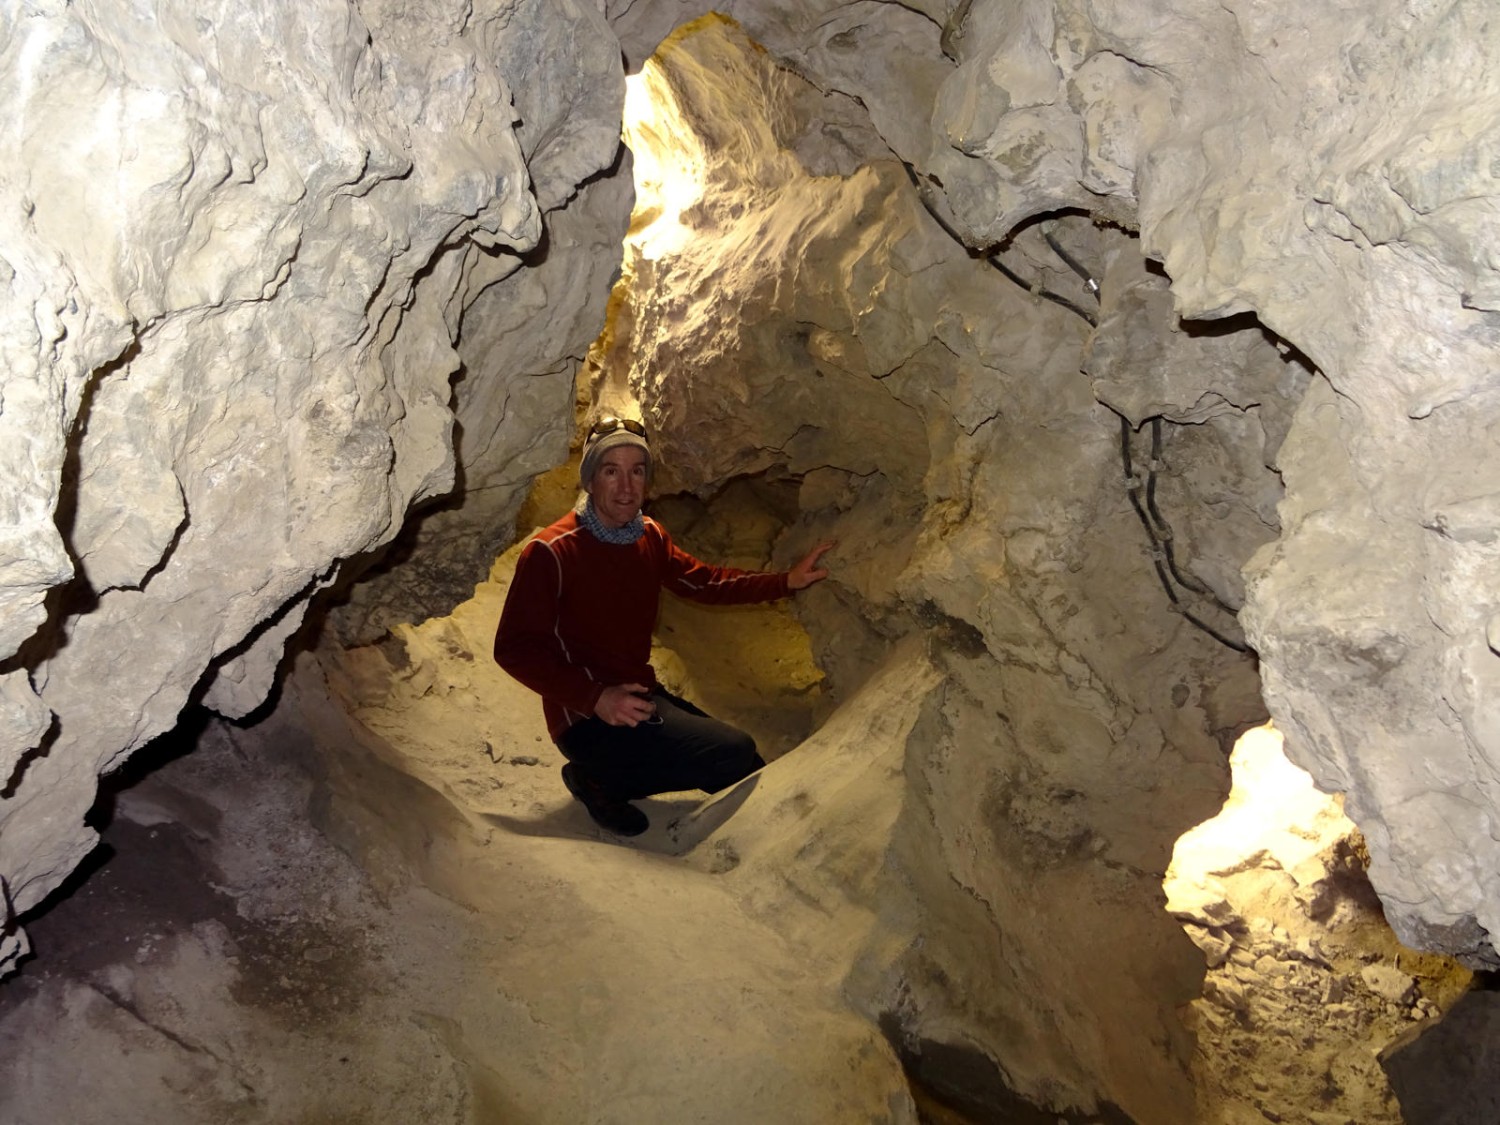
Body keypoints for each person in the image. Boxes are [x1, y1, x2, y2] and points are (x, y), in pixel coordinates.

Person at [493, 415, 833, 837]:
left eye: (637, 471)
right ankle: (598, 779)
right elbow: (514, 648)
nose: (626, 486)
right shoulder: (551, 553)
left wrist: (786, 581)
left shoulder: (648, 536)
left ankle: (614, 776)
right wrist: (596, 698)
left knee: (742, 768)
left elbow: (704, 581)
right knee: (733, 752)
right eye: (610, 471)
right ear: (590, 480)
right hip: (586, 719)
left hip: (638, 694)